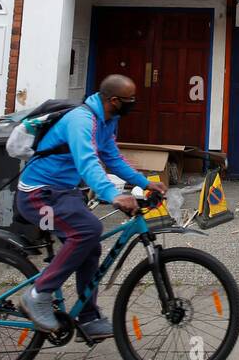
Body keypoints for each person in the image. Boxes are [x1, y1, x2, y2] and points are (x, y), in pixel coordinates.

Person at [15, 74, 167, 340]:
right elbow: (87, 162)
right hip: (37, 196)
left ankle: (87, 317)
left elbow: (112, 158)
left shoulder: (108, 120)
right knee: (86, 231)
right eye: (129, 100)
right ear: (114, 100)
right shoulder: (81, 121)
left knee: (91, 244)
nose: (133, 104)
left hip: (64, 192)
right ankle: (37, 295)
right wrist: (113, 194)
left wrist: (144, 183)